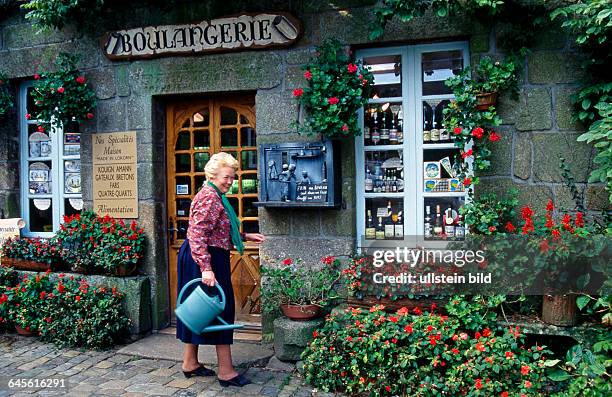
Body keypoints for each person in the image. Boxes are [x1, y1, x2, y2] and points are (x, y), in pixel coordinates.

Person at [176, 152, 265, 387]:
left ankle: (190, 363)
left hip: (209, 254)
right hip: (205, 257)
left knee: (198, 309)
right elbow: (197, 235)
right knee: (217, 310)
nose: (230, 182)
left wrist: (244, 236)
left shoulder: (216, 196)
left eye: (233, 178)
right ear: (213, 175)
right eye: (227, 177)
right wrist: (206, 268)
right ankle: (226, 371)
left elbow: (217, 229)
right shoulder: (209, 198)